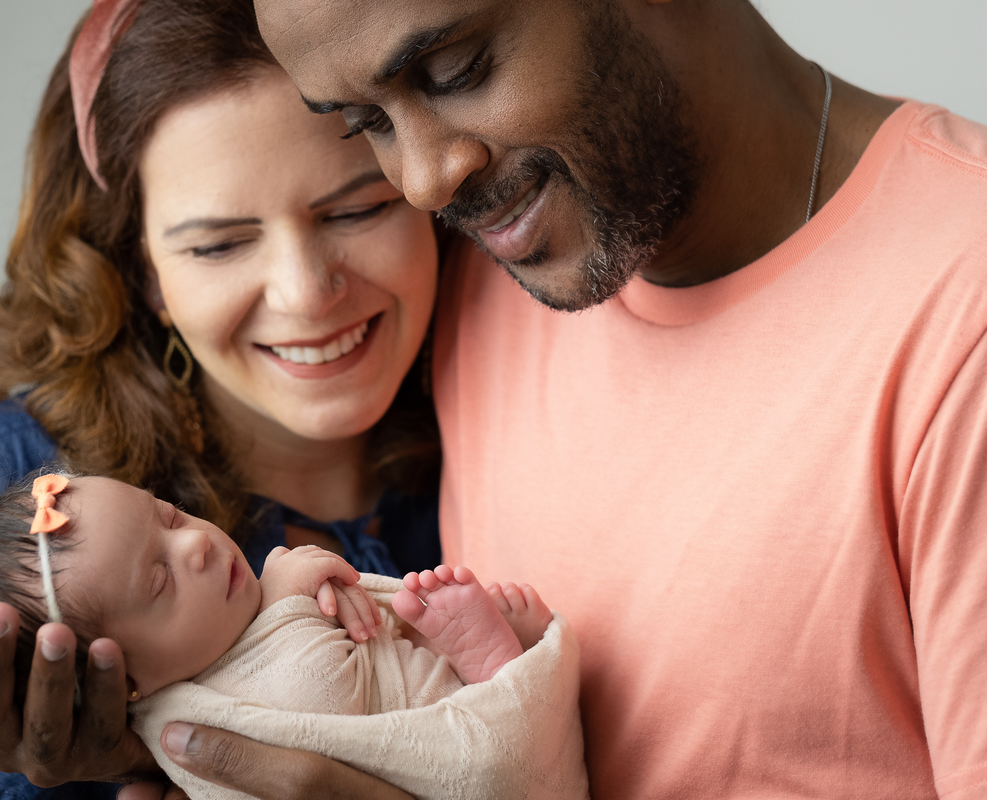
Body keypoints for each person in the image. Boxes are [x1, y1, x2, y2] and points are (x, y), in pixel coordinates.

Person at [240, 0, 987, 797]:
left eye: (456, 71)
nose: (422, 181)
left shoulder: (960, 313)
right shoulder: (482, 261)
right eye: (365, 123)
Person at [0, 0, 447, 798]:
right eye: (218, 243)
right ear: (143, 273)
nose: (307, 295)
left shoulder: (493, 422)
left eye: (359, 208)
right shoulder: (27, 530)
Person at [0, 471, 585, 800]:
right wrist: (292, 602)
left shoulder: (228, 625)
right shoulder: (192, 715)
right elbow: (318, 701)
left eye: (169, 517)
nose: (197, 550)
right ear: (124, 681)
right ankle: (497, 672)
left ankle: (489, 670)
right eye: (157, 583)